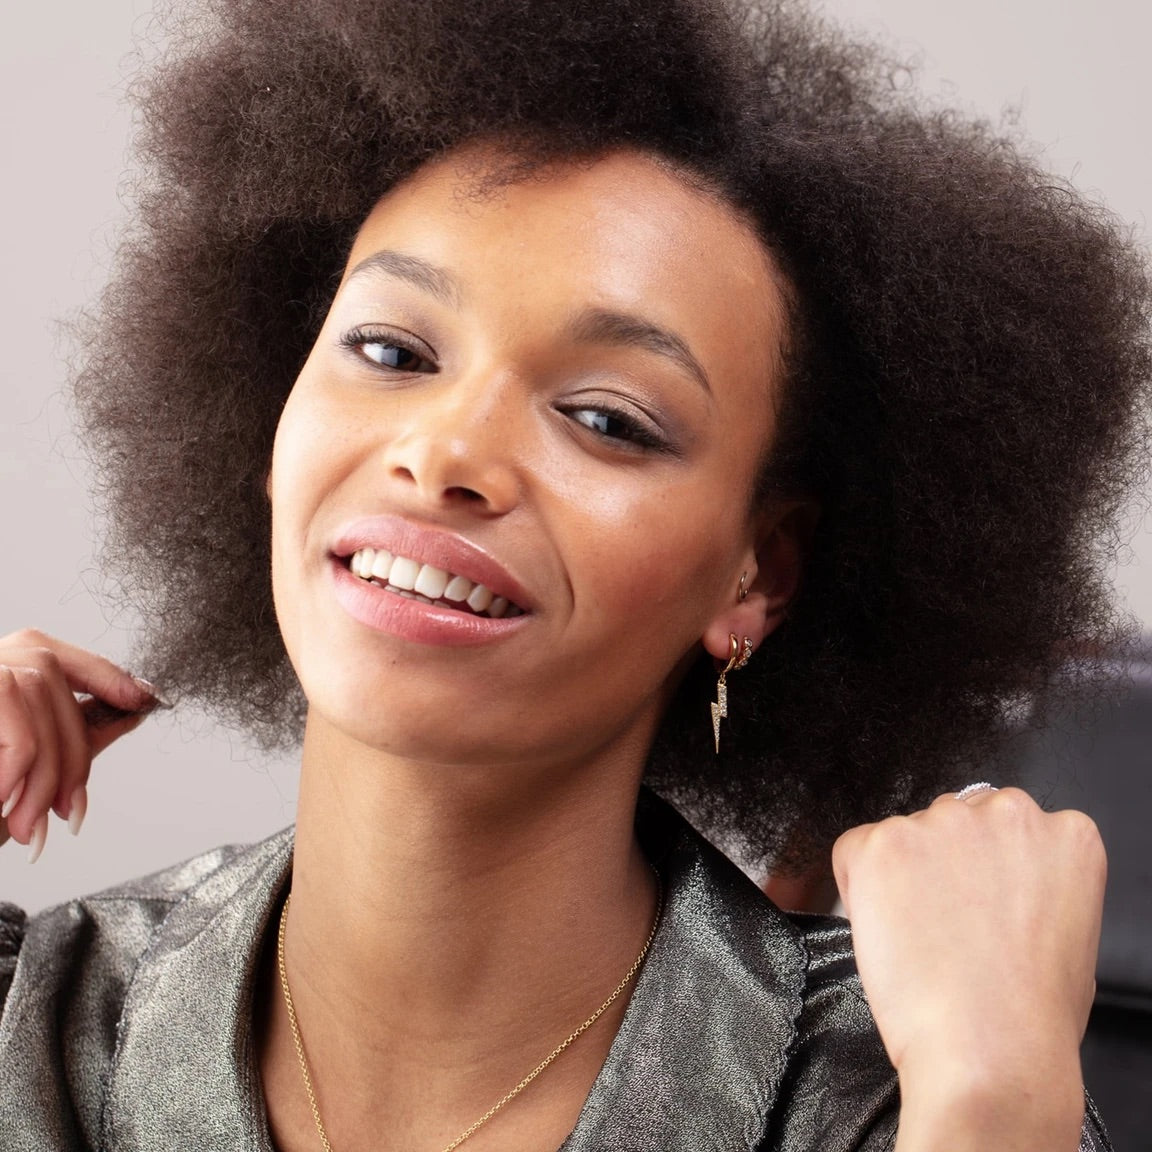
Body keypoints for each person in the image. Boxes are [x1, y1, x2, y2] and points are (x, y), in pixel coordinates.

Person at [0, 0, 1147, 1148]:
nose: (446, 453)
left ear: (755, 578)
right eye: (391, 351)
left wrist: (994, 1099)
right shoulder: (33, 1024)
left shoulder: (907, 1099)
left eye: (606, 419)